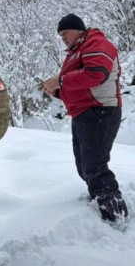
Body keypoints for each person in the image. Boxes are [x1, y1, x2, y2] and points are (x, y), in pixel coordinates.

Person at [42, 14, 128, 223]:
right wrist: (56, 91)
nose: (62, 37)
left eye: (65, 32)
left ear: (79, 29)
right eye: (60, 34)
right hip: (84, 113)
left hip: (99, 111)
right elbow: (79, 86)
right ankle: (101, 204)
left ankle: (116, 217)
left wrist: (60, 80)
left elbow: (96, 74)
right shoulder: (75, 52)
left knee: (94, 165)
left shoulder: (96, 43)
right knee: (84, 165)